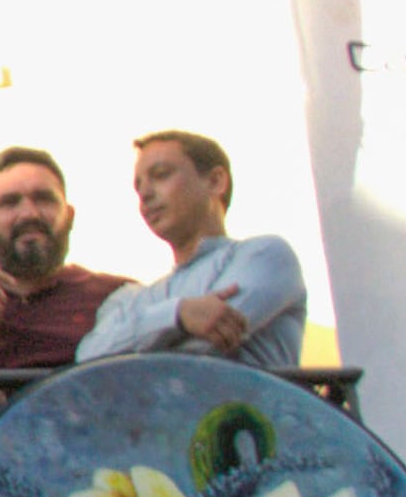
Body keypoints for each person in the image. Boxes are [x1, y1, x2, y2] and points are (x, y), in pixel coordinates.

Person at [73, 131, 308, 370]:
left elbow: (201, 354)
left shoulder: (265, 255)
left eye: (161, 175)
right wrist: (177, 315)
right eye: (138, 187)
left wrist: (136, 336)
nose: (145, 194)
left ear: (216, 181)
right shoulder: (128, 299)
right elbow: (88, 361)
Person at [0, 146, 131, 374]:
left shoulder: (119, 298)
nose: (29, 213)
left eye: (43, 199)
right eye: (10, 203)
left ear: (69, 217)